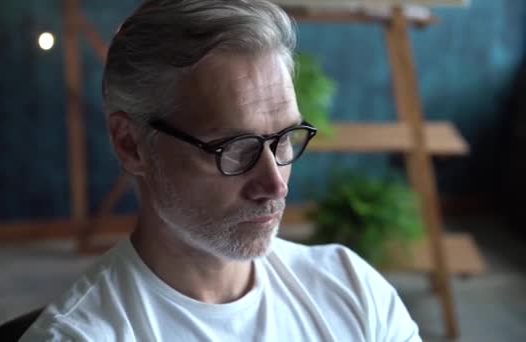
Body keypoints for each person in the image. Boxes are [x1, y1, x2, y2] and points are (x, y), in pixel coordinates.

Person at [21, 0, 421, 341]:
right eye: (235, 148)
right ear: (131, 144)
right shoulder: (80, 334)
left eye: (285, 137)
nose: (275, 183)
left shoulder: (352, 290)